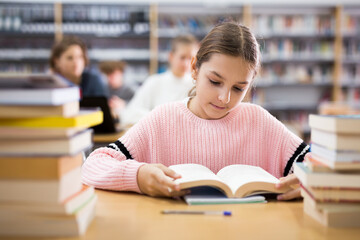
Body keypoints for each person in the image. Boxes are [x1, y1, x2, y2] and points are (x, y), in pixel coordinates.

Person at [82, 22, 309, 200]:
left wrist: (312, 181)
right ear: (194, 69)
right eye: (214, 81)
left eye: (239, 88)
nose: (225, 98)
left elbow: (320, 163)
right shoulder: (163, 119)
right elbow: (93, 164)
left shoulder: (259, 121)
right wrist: (138, 176)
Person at [120, 34, 199, 125]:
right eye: (182, 57)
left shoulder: (196, 86)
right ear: (171, 56)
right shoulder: (154, 82)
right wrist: (161, 118)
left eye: (190, 58)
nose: (186, 63)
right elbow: (129, 115)